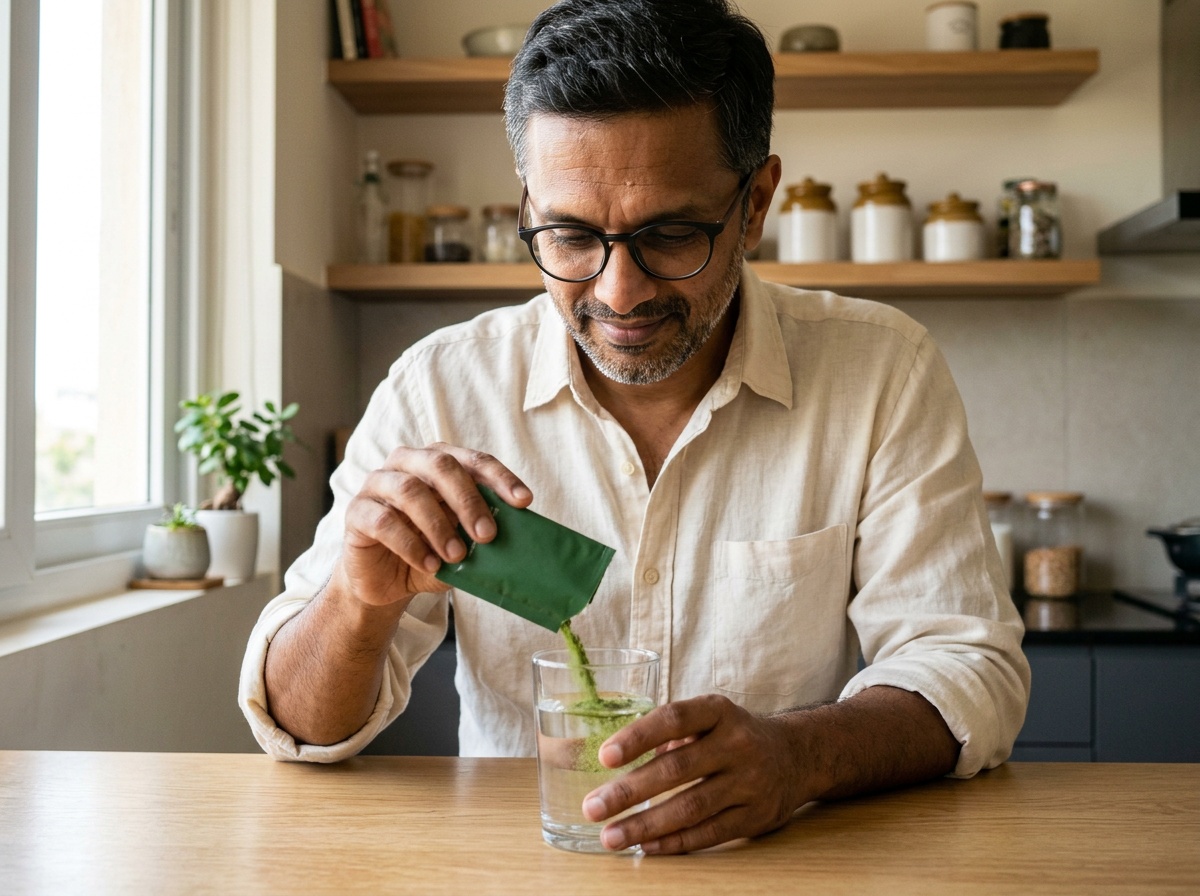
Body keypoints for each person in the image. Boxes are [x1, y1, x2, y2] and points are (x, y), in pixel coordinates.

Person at [239, 0, 1030, 855]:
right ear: (528, 205)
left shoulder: (884, 372)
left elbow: (967, 668)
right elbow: (297, 727)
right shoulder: (440, 387)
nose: (619, 294)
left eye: (672, 235)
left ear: (755, 202)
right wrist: (355, 604)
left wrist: (799, 756)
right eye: (572, 236)